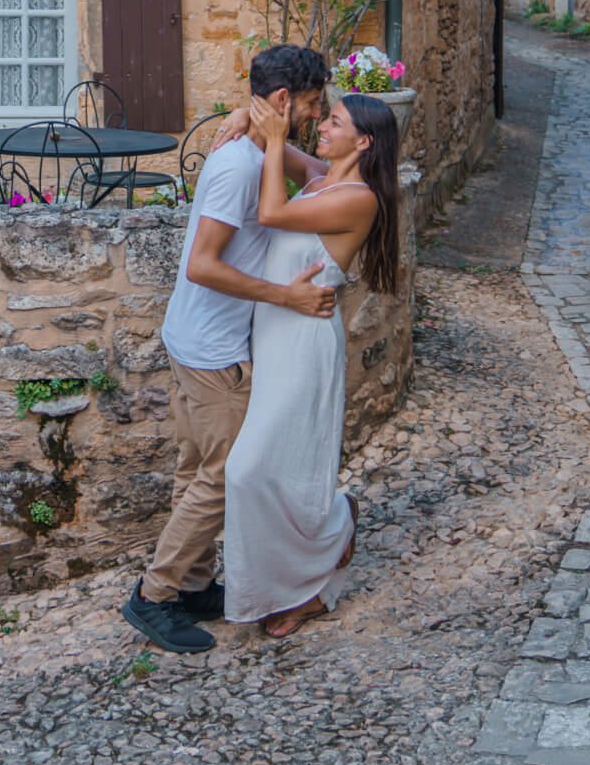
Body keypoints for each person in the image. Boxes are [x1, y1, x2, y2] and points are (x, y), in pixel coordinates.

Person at [121, 45, 337, 657]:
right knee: (221, 478)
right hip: (215, 350)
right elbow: (202, 265)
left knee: (195, 471)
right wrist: (285, 298)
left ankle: (189, 586)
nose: (316, 118)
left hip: (192, 338)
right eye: (312, 105)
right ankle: (154, 597)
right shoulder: (241, 168)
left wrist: (257, 127)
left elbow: (317, 177)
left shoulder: (254, 152)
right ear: (282, 100)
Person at [223, 90, 400, 639]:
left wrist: (277, 141)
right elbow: (271, 132)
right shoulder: (325, 177)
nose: (321, 125)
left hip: (304, 342)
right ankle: (296, 576)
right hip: (275, 330)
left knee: (249, 469)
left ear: (363, 140)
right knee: (276, 467)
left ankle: (321, 554)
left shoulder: (360, 199)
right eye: (324, 117)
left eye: (335, 121)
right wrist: (244, 115)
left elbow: (271, 211)